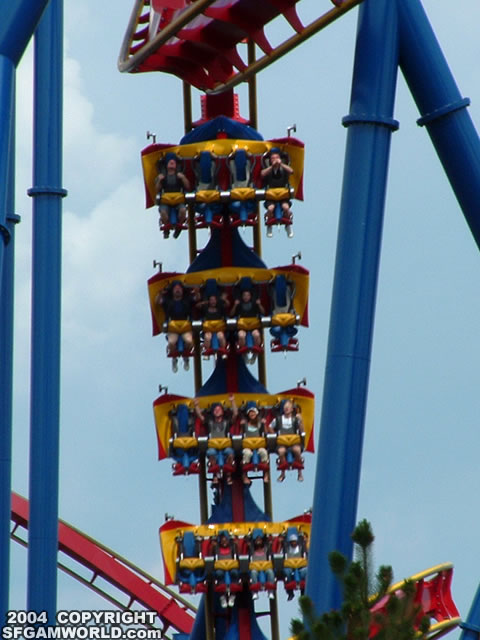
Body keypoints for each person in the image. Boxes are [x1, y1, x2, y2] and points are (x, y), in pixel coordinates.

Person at [194, 395, 237, 483]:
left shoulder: (226, 422)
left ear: (222, 411)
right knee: (211, 453)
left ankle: (229, 475)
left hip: (225, 445)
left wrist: (232, 401)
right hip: (213, 446)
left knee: (230, 453)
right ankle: (215, 474)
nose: (217, 411)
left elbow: (235, 414)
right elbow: (200, 416)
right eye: (215, 410)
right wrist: (196, 406)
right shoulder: (210, 422)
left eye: (219, 409)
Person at [156, 281, 195, 372]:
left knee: (189, 341)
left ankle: (186, 355)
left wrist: (196, 292)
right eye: (176, 289)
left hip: (185, 325)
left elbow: (196, 298)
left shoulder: (186, 300)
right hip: (173, 326)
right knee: (171, 343)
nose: (177, 291)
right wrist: (160, 293)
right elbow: (158, 301)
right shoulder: (168, 301)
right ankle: (174, 357)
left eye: (179, 289)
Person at [155, 152, 191, 238]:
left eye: (173, 162)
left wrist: (183, 178)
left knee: (183, 210)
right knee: (163, 212)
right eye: (170, 162)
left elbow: (188, 187)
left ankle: (179, 227)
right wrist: (159, 181)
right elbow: (156, 190)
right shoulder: (162, 176)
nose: (172, 164)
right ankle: (166, 229)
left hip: (178, 199)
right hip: (166, 200)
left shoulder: (180, 176)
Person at [261, 147, 294, 238]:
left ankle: (288, 225)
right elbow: (262, 174)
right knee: (270, 208)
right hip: (271, 196)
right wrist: (272, 167)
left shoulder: (284, 169)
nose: (275, 160)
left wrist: (281, 164)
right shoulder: (269, 169)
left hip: (282, 195)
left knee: (286, 207)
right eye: (273, 159)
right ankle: (269, 224)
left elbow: (291, 171)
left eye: (277, 158)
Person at [271, 399, 304, 482]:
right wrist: (275, 435)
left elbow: (302, 431)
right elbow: (270, 427)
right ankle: (282, 473)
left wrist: (301, 421)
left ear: (292, 409)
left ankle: (300, 473)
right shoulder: (278, 419)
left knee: (297, 450)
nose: (286, 409)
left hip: (293, 442)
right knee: (281, 451)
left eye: (288, 407)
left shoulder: (295, 419)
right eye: (285, 408)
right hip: (282, 442)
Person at [230, 289, 265, 362]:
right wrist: (235, 305)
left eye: (248, 295)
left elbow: (263, 312)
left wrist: (259, 304)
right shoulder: (239, 305)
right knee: (241, 335)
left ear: (250, 296)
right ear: (242, 297)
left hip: (253, 326)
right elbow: (231, 314)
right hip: (242, 326)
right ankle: (244, 352)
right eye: (244, 295)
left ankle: (255, 353)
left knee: (256, 334)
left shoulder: (254, 304)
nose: (246, 297)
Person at [240, 402, 269, 484]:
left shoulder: (260, 424)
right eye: (250, 412)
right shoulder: (245, 425)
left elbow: (266, 433)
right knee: (246, 453)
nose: (252, 414)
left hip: (259, 444)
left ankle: (266, 474)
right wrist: (242, 426)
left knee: (263, 452)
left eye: (253, 412)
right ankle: (245, 475)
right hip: (248, 445)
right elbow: (241, 434)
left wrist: (264, 424)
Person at [210, 531, 239, 608]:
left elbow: (237, 556)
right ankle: (222, 596)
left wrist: (236, 545)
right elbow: (211, 556)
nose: (224, 542)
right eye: (222, 540)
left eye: (226, 540)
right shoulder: (217, 548)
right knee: (219, 574)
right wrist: (212, 547)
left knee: (234, 573)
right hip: (221, 567)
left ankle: (233, 594)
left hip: (231, 566)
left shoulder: (232, 547)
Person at [249, 530, 275, 600]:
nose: (258, 541)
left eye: (260, 539)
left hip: (266, 567)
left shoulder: (266, 549)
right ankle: (255, 592)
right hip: (256, 568)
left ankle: (270, 591)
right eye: (257, 540)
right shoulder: (252, 550)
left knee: (270, 572)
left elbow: (271, 559)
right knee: (253, 573)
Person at [283, 531, 307, 601]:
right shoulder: (287, 549)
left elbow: (305, 556)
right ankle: (290, 592)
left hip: (300, 565)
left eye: (295, 541)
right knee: (287, 572)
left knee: (305, 571)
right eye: (292, 542)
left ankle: (303, 592)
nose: (293, 543)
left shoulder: (301, 548)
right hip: (290, 566)